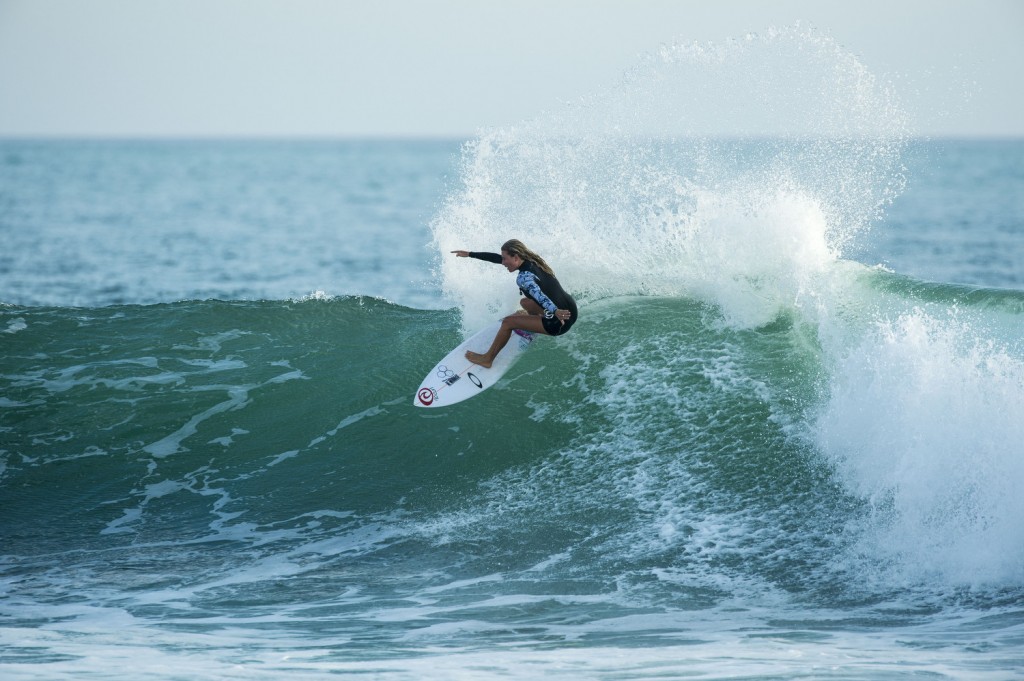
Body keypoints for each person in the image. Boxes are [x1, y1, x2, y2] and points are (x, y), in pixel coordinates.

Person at [451, 239, 578, 368]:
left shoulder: (523, 278)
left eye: (505, 259)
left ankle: (487, 359)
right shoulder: (532, 261)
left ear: (516, 257)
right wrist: (470, 254)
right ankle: (535, 322)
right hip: (571, 310)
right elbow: (496, 258)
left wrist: (555, 311)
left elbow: (539, 296)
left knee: (508, 322)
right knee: (525, 302)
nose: (503, 262)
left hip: (559, 321)